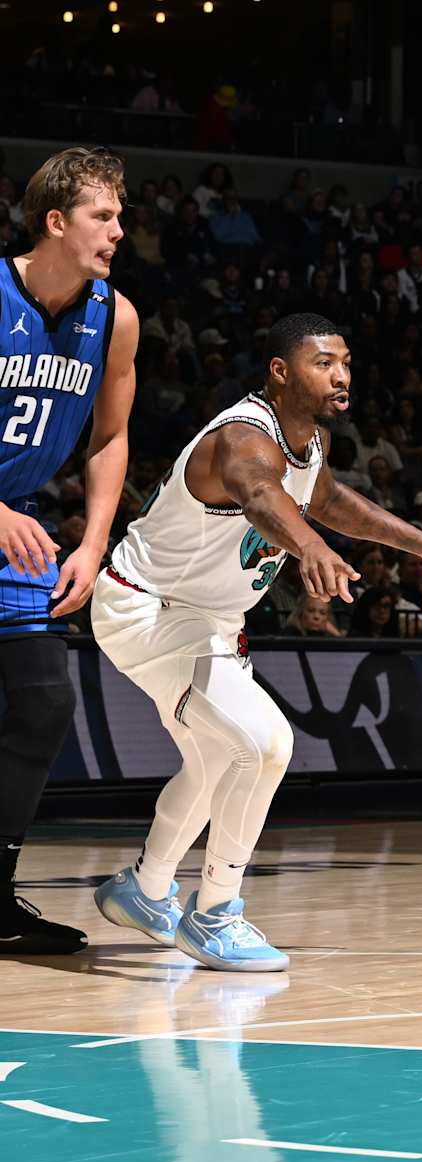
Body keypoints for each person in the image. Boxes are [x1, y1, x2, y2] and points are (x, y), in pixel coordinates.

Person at [91, 312, 422, 971]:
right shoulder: (241, 436)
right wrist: (309, 546)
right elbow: (260, 494)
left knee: (217, 759)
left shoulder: (309, 445)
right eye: (323, 363)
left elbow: (330, 501)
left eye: (346, 363)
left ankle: (143, 889)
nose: (341, 376)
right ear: (280, 372)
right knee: (265, 744)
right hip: (150, 609)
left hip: (207, 619)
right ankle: (215, 913)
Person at [0, 148, 139, 955]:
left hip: (19, 529)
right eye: (103, 216)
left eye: (120, 217)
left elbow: (110, 436)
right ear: (55, 221)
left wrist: (92, 542)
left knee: (45, 702)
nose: (118, 231)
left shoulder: (115, 317)